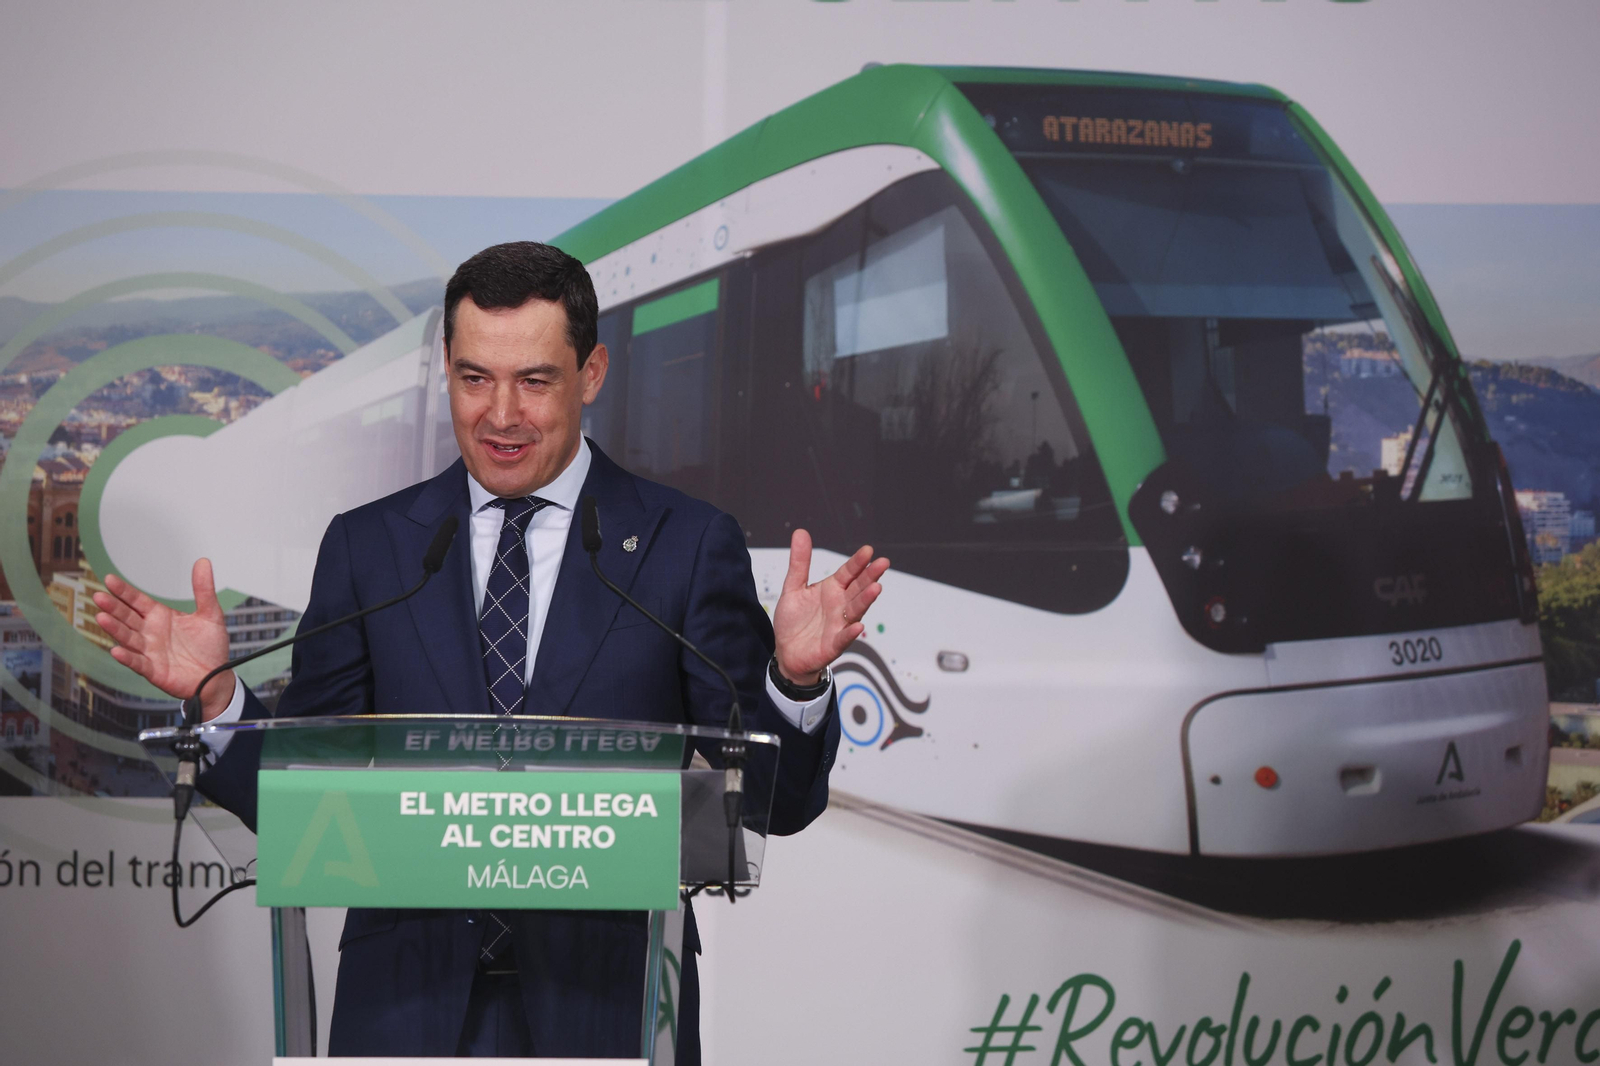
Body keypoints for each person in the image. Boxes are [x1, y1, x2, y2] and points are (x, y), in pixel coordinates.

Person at [93, 241, 889, 1060]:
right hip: (404, 1012)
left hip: (609, 1010)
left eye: (534, 381)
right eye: (475, 378)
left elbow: (770, 806)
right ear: (446, 368)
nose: (501, 415)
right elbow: (301, 794)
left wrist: (794, 681)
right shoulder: (372, 548)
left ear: (591, 373)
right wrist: (219, 702)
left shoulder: (684, 545)